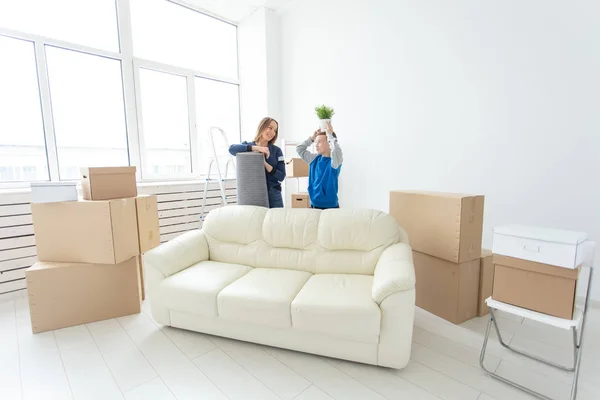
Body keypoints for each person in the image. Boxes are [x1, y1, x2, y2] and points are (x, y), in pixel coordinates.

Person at [229, 117, 286, 208]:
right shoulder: (248, 146)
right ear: (262, 127)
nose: (272, 132)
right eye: (270, 128)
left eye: (275, 130)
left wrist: (264, 163)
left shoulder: (277, 151)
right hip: (254, 193)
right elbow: (231, 149)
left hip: (273, 193)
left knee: (276, 221)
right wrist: (257, 148)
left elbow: (281, 176)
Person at [296, 121, 343, 209]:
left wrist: (330, 135)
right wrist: (312, 138)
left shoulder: (335, 162)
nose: (316, 145)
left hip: (330, 208)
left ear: (329, 143)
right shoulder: (314, 159)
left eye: (319, 142)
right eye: (315, 142)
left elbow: (336, 151)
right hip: (313, 207)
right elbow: (299, 149)